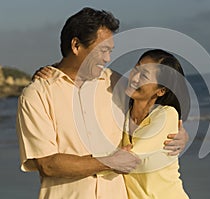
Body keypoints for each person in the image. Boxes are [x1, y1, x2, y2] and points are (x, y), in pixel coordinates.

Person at [17, 7, 188, 199]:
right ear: (76, 45)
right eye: (103, 50)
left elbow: (150, 103)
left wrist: (179, 133)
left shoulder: (115, 84)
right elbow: (47, 164)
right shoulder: (37, 95)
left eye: (110, 51)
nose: (108, 58)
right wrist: (109, 162)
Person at [121, 49, 190, 198]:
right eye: (136, 68)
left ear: (161, 90)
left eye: (144, 75)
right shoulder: (122, 115)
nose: (134, 78)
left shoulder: (167, 115)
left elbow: (127, 158)